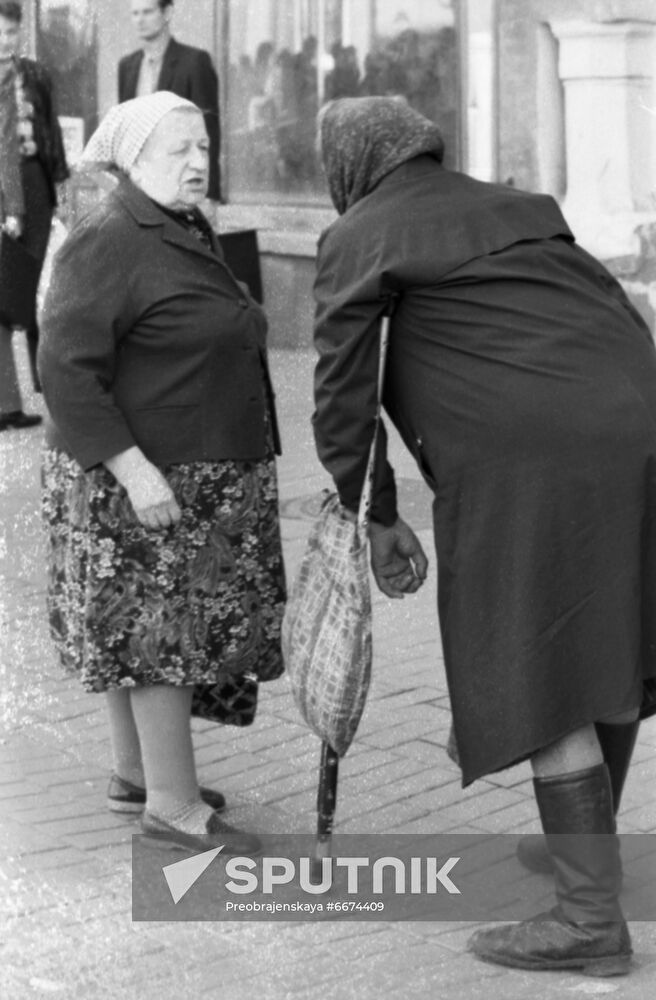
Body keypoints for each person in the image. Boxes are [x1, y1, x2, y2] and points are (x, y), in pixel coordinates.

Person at [312, 96, 656, 976]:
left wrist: (374, 511)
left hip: (535, 462)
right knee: (604, 635)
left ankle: (588, 918)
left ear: (348, 168)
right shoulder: (517, 205)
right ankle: (586, 849)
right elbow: (612, 309)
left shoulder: (361, 233)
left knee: (541, 660)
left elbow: (342, 399)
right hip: (638, 423)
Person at [38, 91, 285, 854]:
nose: (198, 161)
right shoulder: (111, 233)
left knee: (140, 629)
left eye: (204, 146)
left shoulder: (177, 222)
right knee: (160, 636)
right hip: (149, 474)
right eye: (178, 149)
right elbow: (64, 365)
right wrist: (134, 470)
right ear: (134, 158)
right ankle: (172, 811)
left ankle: (137, 774)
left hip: (191, 465)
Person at [0, 0, 68, 431]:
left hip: (33, 186)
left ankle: (52, 392)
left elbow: (51, 134)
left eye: (9, 32)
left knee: (30, 294)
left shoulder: (34, 75)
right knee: (5, 300)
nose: (3, 41)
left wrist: (59, 187)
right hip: (6, 192)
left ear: (20, 31)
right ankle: (6, 403)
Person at [118, 0, 221, 201]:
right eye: (135, 13)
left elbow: (209, 133)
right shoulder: (127, 66)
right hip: (140, 188)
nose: (140, 20)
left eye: (147, 12)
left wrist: (209, 195)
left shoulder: (194, 62)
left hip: (182, 186)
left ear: (167, 13)